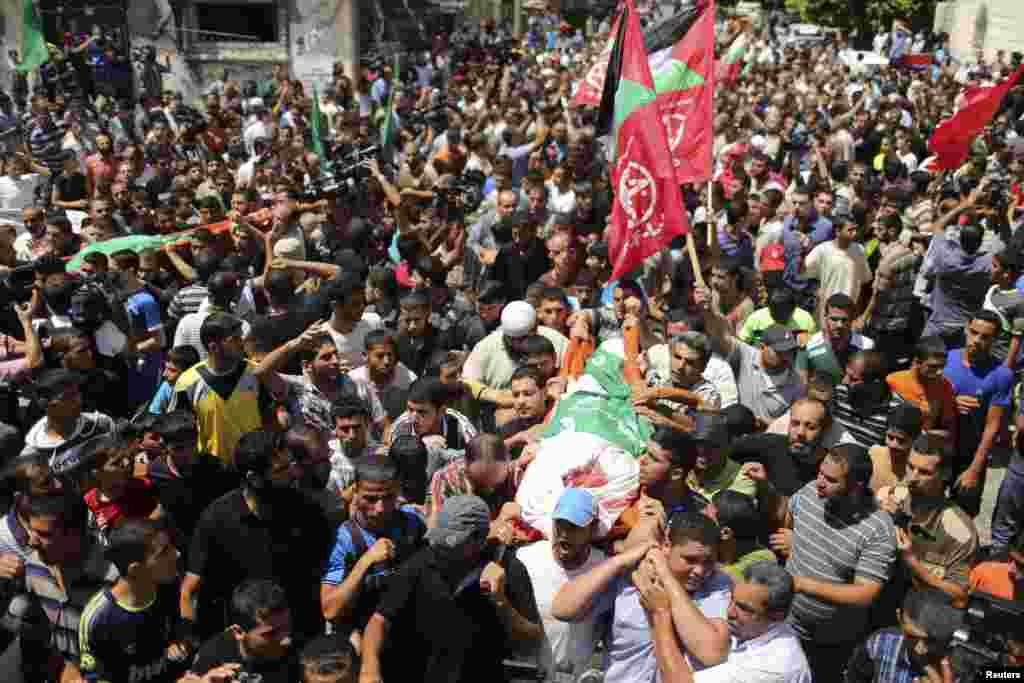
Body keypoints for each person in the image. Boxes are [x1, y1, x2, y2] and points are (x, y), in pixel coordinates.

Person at [359, 495, 543, 683]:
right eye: (439, 539)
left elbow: (532, 639)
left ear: (479, 538)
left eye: (450, 543)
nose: (441, 548)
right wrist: (369, 667)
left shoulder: (509, 569)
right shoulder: (421, 563)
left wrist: (500, 600)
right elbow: (379, 620)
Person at [181, 432, 332, 641]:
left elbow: (326, 575)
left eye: (291, 464)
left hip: (302, 636)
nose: (294, 473)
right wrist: (190, 640)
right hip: (246, 642)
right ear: (254, 478)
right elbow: (191, 588)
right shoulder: (217, 519)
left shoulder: (308, 512)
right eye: (281, 470)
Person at [553, 509, 734, 681]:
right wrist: (620, 561)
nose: (700, 571)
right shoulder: (630, 576)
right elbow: (562, 609)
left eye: (708, 562)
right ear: (666, 546)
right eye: (690, 560)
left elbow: (712, 653)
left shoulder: (716, 585)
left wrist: (664, 574)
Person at [782, 444, 896, 680]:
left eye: (831, 479)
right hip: (784, 624)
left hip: (829, 645)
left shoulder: (877, 529)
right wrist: (793, 540)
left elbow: (865, 593)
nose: (820, 482)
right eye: (820, 473)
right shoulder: (811, 491)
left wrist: (803, 584)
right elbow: (790, 515)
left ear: (856, 486)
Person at [636, 559, 812, 683]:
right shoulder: (762, 629)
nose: (730, 612)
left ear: (777, 616)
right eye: (732, 600)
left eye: (744, 608)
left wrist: (660, 615)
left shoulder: (773, 667)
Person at [320, 460, 426, 633]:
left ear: (398, 490)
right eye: (370, 499)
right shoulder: (343, 540)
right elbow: (330, 610)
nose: (380, 508)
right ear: (355, 492)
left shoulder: (413, 524)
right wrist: (366, 561)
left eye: (388, 497)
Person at [78, 519, 187, 683]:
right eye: (164, 552)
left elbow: (178, 633)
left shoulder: (169, 585)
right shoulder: (98, 619)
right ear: (135, 570)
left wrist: (178, 643)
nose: (176, 554)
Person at [876, 435, 979, 607]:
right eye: (910, 467)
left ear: (945, 474)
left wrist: (913, 562)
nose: (912, 477)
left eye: (924, 472)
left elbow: (959, 597)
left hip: (925, 610)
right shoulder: (889, 497)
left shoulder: (960, 532)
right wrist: (878, 520)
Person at [517, 488, 608, 681]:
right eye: (560, 524)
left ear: (592, 529)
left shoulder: (605, 569)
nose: (564, 534)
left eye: (574, 527)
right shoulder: (526, 560)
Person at [698, 281, 804, 423]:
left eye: (787, 350)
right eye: (777, 350)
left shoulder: (796, 383)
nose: (784, 355)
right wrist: (708, 310)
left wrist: (767, 424)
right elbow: (720, 334)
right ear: (762, 346)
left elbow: (796, 422)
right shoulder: (745, 355)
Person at [943, 309, 1013, 516]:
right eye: (974, 332)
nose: (977, 340)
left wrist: (974, 469)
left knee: (962, 517)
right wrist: (951, 402)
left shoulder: (1001, 375)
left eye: (985, 336)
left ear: (995, 340)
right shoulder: (945, 359)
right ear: (966, 330)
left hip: (970, 454)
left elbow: (992, 426)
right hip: (938, 448)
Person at [170, 313, 264, 466]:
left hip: (255, 465)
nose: (242, 343)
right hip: (211, 470)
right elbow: (179, 431)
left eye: (241, 337)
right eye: (234, 339)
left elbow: (270, 416)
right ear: (213, 347)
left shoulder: (256, 373)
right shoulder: (187, 383)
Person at [190, 580, 300, 683]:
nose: (286, 639)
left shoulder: (296, 650)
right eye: (272, 633)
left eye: (287, 626)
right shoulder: (212, 657)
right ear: (238, 632)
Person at [844, 589, 962, 683]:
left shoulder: (955, 664)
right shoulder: (880, 641)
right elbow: (855, 675)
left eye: (931, 640)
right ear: (899, 617)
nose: (919, 648)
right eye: (912, 636)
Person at [886, 336, 957, 438]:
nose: (940, 372)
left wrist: (924, 435)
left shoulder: (946, 387)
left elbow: (948, 429)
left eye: (943, 366)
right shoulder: (893, 381)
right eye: (933, 366)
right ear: (917, 362)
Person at [796, 293, 874, 386]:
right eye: (834, 319)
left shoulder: (866, 345)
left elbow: (870, 381)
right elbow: (801, 382)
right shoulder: (808, 343)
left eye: (844, 320)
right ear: (825, 317)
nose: (839, 325)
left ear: (852, 319)